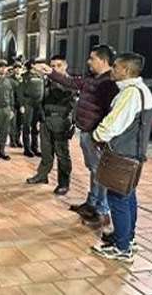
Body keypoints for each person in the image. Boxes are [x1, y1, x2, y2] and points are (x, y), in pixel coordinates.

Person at [38, 44, 119, 230]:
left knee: (100, 173)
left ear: (103, 60)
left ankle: (102, 212)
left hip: (96, 135)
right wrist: (50, 72)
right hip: (86, 132)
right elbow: (72, 83)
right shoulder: (93, 79)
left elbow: (110, 113)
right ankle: (91, 204)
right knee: (93, 170)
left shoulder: (109, 83)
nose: (88, 61)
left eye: (92, 58)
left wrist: (101, 135)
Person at [91, 53, 152, 262]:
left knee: (118, 199)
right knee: (128, 197)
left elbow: (114, 123)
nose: (112, 70)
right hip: (133, 154)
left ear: (126, 70)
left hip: (122, 154)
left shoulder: (130, 94)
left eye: (116, 67)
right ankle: (127, 237)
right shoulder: (141, 90)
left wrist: (97, 135)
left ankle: (122, 247)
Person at [26, 55, 76, 195]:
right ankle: (42, 175)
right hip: (45, 120)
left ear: (65, 66)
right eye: (52, 66)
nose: (54, 69)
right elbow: (40, 99)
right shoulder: (46, 80)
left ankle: (63, 183)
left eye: (58, 66)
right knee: (46, 151)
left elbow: (64, 95)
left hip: (61, 121)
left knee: (62, 154)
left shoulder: (69, 82)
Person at [20, 59, 46, 157]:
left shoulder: (40, 76)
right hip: (28, 104)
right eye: (37, 64)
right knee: (27, 126)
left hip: (38, 104)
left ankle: (35, 147)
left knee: (35, 127)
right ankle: (27, 149)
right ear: (32, 65)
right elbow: (20, 91)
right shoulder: (25, 77)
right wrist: (22, 104)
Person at [9, 62, 24, 148]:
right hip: (13, 104)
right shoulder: (10, 79)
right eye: (16, 68)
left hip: (21, 106)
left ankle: (18, 140)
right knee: (13, 124)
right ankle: (12, 140)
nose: (17, 69)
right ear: (13, 69)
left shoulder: (23, 79)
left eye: (19, 68)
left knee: (20, 123)